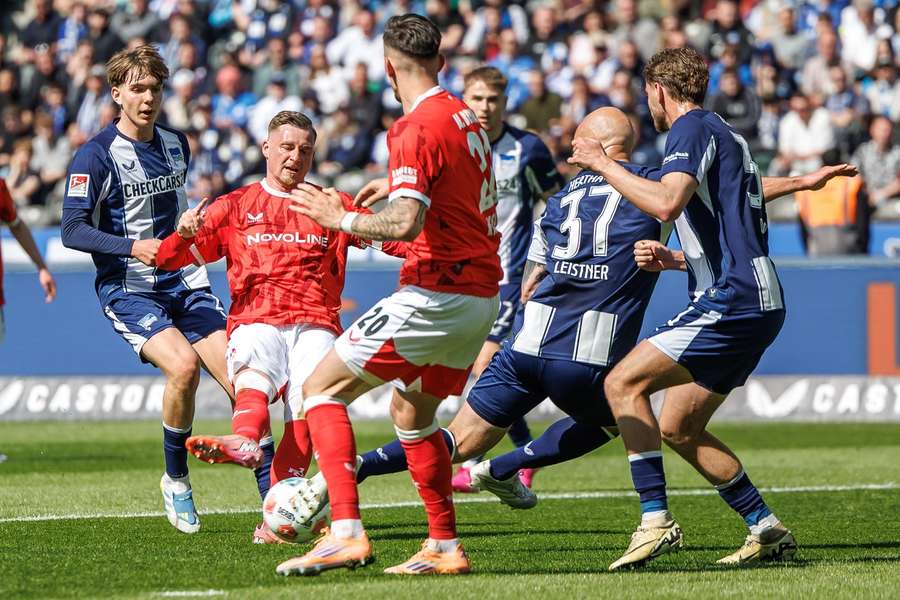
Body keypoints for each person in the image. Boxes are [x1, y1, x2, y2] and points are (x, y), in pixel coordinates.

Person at [345, 110, 856, 510]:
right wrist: (798, 182)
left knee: (457, 439)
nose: (568, 147)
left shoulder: (560, 198)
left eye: (578, 139)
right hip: (584, 356)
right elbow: (722, 198)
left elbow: (530, 281)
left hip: (526, 344)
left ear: (602, 146)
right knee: (622, 416)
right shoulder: (647, 188)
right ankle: (514, 469)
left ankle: (355, 469)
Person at [276, 14, 502, 576]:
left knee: (319, 389)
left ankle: (346, 532)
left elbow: (402, 223)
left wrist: (341, 218)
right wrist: (379, 202)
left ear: (386, 68)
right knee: (412, 414)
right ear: (442, 64)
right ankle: (444, 546)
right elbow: (442, 207)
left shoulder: (412, 127)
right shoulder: (465, 117)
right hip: (479, 299)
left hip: (438, 293)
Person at [567, 47, 797, 570]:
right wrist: (676, 258)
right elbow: (734, 205)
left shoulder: (689, 130)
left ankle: (655, 520)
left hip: (733, 298)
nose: (647, 102)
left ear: (659, 91)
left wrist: (603, 164)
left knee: (621, 383)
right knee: (678, 427)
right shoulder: (724, 133)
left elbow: (668, 202)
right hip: (754, 297)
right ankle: (766, 528)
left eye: (647, 93)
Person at [154, 111, 405, 542]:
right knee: (256, 374)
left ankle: (275, 515)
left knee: (307, 409)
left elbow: (398, 241)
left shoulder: (331, 203)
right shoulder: (233, 206)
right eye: (287, 147)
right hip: (257, 317)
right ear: (266, 148)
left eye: (305, 150)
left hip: (316, 322)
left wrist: (417, 215)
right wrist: (181, 233)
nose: (296, 157)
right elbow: (167, 261)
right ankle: (247, 440)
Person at [59, 45, 268, 536]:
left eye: (154, 87)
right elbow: (71, 229)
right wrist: (134, 248)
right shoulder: (94, 154)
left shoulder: (177, 144)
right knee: (184, 367)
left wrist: (190, 226)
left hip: (186, 280)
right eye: (137, 89)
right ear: (117, 95)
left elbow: (174, 212)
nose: (148, 97)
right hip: (130, 288)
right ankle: (176, 479)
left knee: (247, 385)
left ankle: (274, 497)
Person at [446, 65, 564, 493]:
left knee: (485, 364)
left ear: (505, 102)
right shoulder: (454, 145)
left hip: (510, 277)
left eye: (492, 99)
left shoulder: (527, 148)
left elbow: (559, 203)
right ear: (464, 99)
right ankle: (521, 454)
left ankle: (479, 458)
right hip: (462, 277)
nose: (484, 107)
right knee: (472, 368)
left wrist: (548, 259)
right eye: (476, 98)